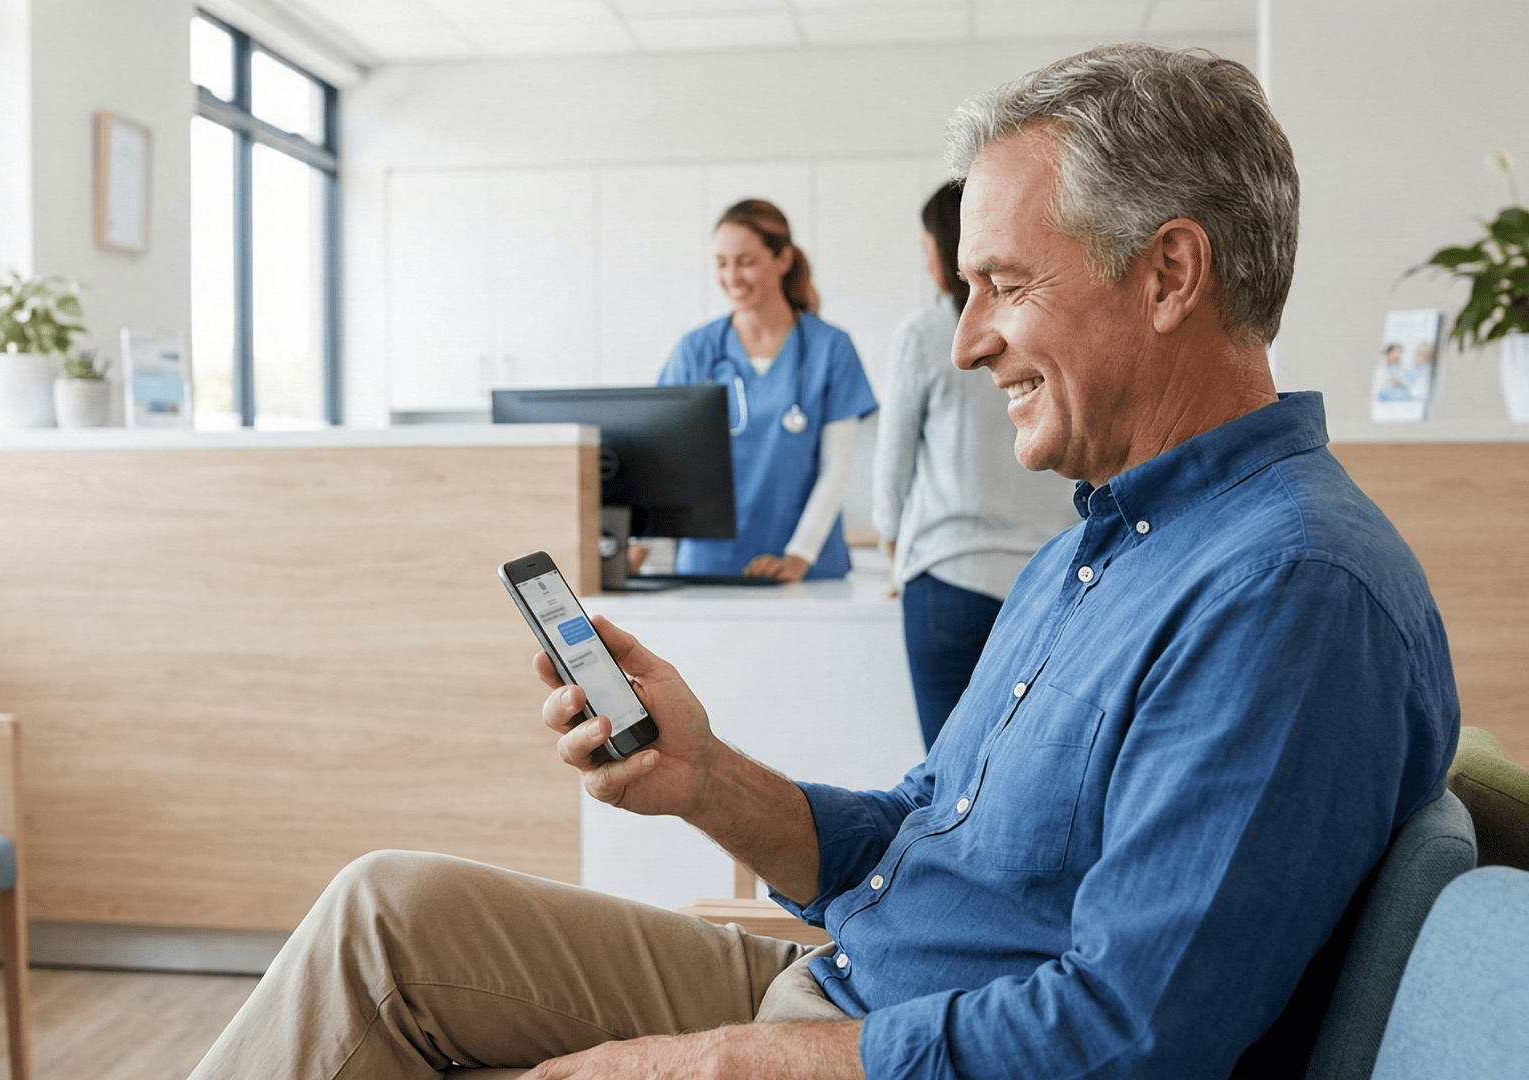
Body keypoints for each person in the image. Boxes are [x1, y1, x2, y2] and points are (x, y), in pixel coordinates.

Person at [187, 43, 1460, 1080]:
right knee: (384, 915)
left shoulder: (1286, 594)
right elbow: (921, 840)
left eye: (1004, 284)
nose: (966, 345)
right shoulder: (1103, 543)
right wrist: (702, 779)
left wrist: (705, 1063)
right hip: (850, 982)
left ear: (1171, 271)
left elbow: (1125, 1039)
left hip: (881, 1040)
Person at [873, 182, 1078, 748]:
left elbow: (892, 472)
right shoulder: (1055, 324)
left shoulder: (925, 333)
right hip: (1051, 578)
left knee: (948, 783)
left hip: (948, 579)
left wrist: (895, 555)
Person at [652, 199, 877, 581]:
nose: (732, 276)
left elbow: (836, 470)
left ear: (783, 259)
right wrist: (645, 543)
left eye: (746, 261)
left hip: (805, 568)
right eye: (721, 262)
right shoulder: (695, 351)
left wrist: (798, 557)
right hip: (709, 566)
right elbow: (664, 463)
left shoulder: (830, 348)